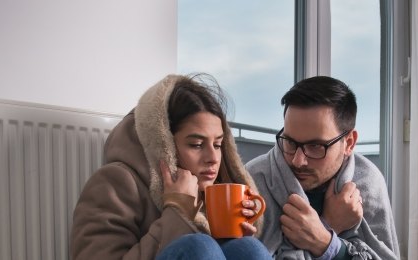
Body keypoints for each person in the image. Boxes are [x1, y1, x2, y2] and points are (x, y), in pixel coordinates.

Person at [70, 74, 272, 260]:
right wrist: (177, 212)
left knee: (247, 248)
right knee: (198, 246)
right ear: (163, 144)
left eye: (218, 145)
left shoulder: (210, 193)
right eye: (196, 145)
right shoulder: (115, 183)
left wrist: (229, 236)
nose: (213, 158)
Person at [245, 76, 400, 259]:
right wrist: (329, 227)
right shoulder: (255, 179)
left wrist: (325, 241)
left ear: (349, 143)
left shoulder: (367, 181)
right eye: (290, 142)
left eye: (316, 146)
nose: (298, 161)